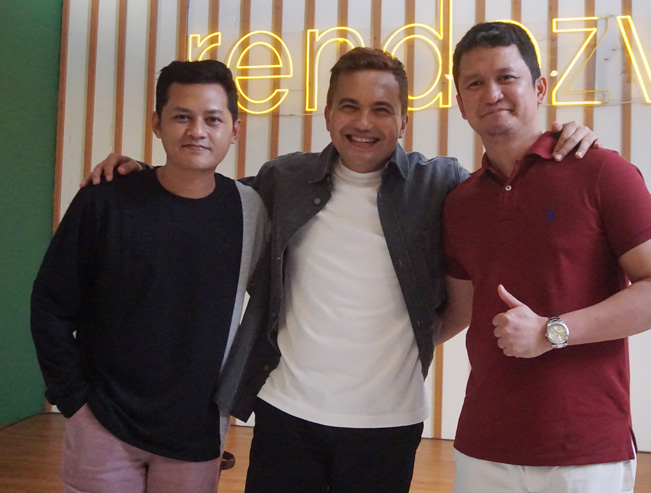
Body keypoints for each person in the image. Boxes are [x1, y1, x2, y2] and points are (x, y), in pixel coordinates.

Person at [83, 47, 599, 492]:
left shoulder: (438, 185)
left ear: (403, 121)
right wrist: (142, 174)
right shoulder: (284, 179)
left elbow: (511, 184)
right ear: (328, 114)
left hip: (389, 421)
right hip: (285, 412)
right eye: (349, 106)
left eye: (381, 109)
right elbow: (206, 198)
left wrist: (558, 139)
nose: (364, 123)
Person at [439, 22, 651, 493]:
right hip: (482, 447)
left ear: (539, 88)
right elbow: (458, 310)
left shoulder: (602, 171)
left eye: (506, 77)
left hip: (585, 451)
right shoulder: (460, 203)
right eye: (474, 83)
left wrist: (552, 331)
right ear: (461, 103)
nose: (492, 93)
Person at [31, 60, 268, 493]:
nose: (197, 131)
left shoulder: (250, 209)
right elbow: (50, 305)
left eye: (213, 119)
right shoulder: (104, 201)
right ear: (157, 123)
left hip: (196, 431)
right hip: (103, 422)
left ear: (235, 130)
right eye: (182, 117)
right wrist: (73, 400)